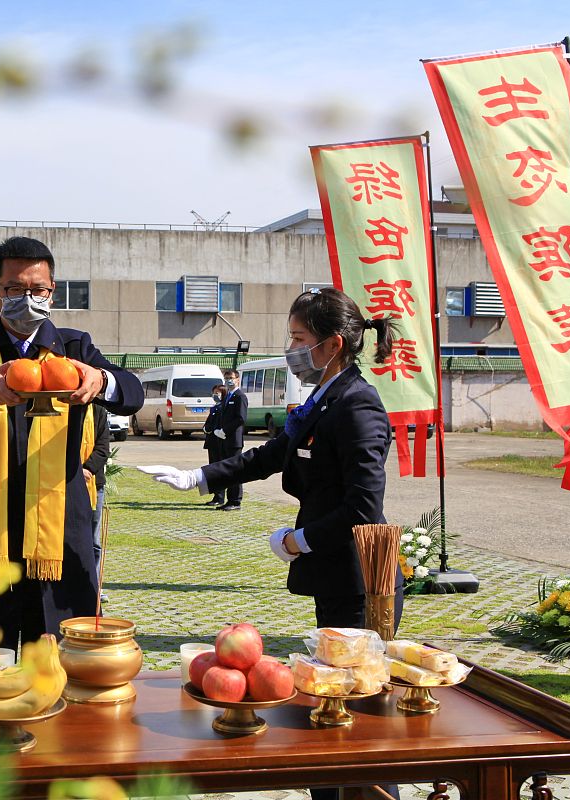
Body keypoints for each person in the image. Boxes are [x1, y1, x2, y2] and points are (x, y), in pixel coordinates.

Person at [140, 287, 403, 800]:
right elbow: (270, 456)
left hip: (359, 579)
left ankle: (369, 791)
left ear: (331, 344)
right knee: (332, 703)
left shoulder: (357, 406)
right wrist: (198, 477)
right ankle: (333, 790)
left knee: (358, 710)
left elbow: (364, 507)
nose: (292, 348)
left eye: (300, 338)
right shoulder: (323, 399)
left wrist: (299, 540)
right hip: (334, 574)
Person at [0, 236, 143, 656]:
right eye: (15, 289)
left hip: (55, 527)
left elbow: (132, 391)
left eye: (39, 290)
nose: (28, 299)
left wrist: (100, 381)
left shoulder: (74, 348)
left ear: (52, 292)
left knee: (56, 656)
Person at [202, 370, 247, 510]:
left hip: (233, 440)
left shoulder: (240, 396)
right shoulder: (228, 397)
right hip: (224, 440)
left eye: (231, 378)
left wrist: (224, 431)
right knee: (226, 471)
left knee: (235, 471)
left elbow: (240, 418)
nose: (229, 380)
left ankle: (235, 501)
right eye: (226, 378)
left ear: (238, 379)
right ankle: (228, 500)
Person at [82, 405, 110, 602]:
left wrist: (87, 469)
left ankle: (94, 586)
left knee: (93, 540)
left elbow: (103, 448)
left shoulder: (98, 411)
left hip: (93, 482)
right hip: (65, 481)